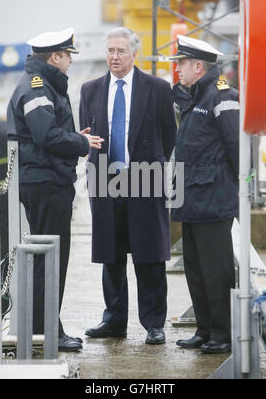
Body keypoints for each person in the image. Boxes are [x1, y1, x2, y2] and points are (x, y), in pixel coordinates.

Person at [7, 27, 104, 352]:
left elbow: (49, 131)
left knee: (49, 258)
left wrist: (76, 136)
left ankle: (47, 327)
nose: (70, 63)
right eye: (67, 56)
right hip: (45, 183)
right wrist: (80, 141)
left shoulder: (45, 85)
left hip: (47, 180)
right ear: (55, 57)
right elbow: (45, 135)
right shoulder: (37, 88)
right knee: (50, 259)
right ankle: (46, 330)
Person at [79, 27, 177, 344]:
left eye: (120, 51)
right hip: (105, 179)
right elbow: (87, 134)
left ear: (134, 53)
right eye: (110, 51)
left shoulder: (158, 88)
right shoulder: (91, 89)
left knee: (149, 254)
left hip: (145, 177)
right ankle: (114, 319)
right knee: (111, 252)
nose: (114, 57)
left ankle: (154, 323)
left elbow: (169, 134)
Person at [169, 35, 239, 354]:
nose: (177, 70)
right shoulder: (196, 97)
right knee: (196, 269)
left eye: (181, 64)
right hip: (192, 199)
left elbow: (236, 148)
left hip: (213, 200)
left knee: (216, 270)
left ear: (198, 66)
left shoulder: (221, 97)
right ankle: (205, 329)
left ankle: (222, 335)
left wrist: (236, 192)